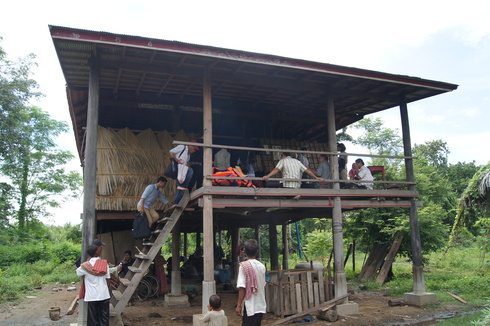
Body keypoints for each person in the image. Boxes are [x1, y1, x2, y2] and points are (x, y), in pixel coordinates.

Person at [76, 244, 111, 326]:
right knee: (104, 318)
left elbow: (78, 272)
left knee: (93, 320)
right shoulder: (104, 264)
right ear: (97, 252)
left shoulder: (85, 266)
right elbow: (108, 279)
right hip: (104, 294)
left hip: (92, 296)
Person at [235, 239, 266, 326]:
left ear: (244, 251)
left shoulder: (243, 267)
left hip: (250, 305)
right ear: (257, 252)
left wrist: (239, 305)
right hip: (260, 304)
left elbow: (242, 287)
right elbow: (263, 284)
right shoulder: (262, 266)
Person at [169, 141, 199, 209]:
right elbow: (171, 152)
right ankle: (176, 202)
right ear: (191, 146)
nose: (194, 151)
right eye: (194, 149)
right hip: (178, 168)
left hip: (183, 169)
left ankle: (176, 202)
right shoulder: (182, 147)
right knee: (182, 186)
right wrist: (177, 160)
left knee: (181, 187)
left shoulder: (188, 154)